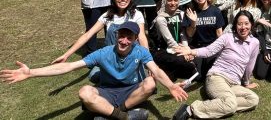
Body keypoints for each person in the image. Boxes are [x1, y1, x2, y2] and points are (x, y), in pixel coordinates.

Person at [1, 22, 188, 120]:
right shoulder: (103, 53)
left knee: (149, 83)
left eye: (128, 37)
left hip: (130, 90)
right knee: (84, 92)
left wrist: (171, 86)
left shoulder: (141, 51)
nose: (124, 41)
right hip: (107, 91)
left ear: (135, 39)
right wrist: (31, 72)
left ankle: (110, 113)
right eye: (121, 36)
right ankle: (124, 116)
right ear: (117, 36)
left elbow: (156, 70)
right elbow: (68, 66)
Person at [172, 11, 260, 120]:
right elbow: (209, 50)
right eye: (239, 24)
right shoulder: (227, 37)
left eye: (246, 23)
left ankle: (223, 103)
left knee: (253, 99)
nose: (243, 27)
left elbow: (250, 65)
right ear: (235, 25)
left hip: (234, 84)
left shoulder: (255, 43)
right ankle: (191, 109)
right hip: (217, 77)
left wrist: (246, 83)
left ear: (251, 24)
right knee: (230, 105)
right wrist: (191, 51)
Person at [52, 0, 148, 65]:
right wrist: (66, 55)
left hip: (131, 55)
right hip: (112, 56)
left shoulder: (136, 14)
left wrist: (148, 60)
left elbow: (142, 37)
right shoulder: (107, 15)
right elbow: (88, 35)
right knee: (94, 75)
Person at [151, 0, 197, 82]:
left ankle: (171, 72)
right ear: (165, 1)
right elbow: (169, 40)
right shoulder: (160, 18)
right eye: (170, 0)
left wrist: (186, 49)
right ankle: (166, 71)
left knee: (196, 56)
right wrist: (184, 53)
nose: (173, 3)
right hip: (164, 50)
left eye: (175, 0)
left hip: (179, 48)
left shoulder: (181, 14)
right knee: (182, 61)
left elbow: (183, 34)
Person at [183, 0, 225, 78]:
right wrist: (193, 22)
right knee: (197, 77)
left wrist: (221, 51)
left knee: (209, 73)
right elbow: (189, 35)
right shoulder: (190, 12)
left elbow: (219, 34)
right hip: (196, 47)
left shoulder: (216, 11)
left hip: (212, 47)